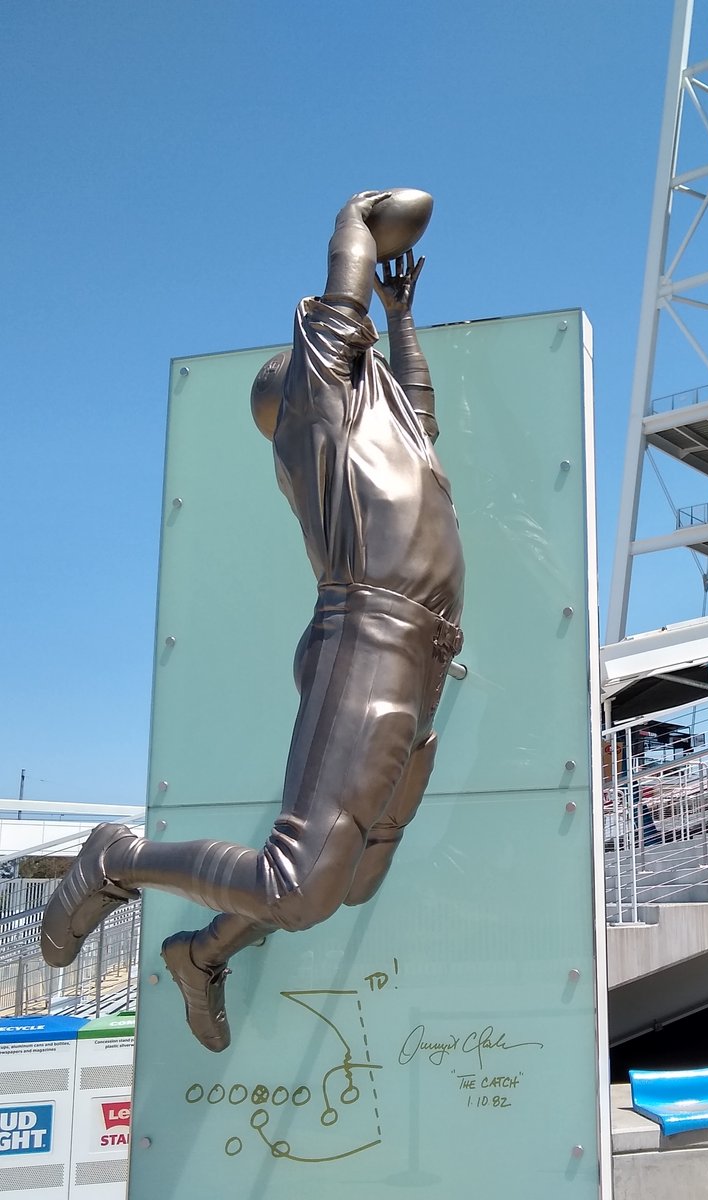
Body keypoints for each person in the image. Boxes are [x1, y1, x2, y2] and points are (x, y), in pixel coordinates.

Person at [41, 190, 465, 1053]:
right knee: (300, 884)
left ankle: (201, 954)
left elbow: (420, 407)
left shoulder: (392, 431)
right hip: (370, 641)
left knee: (354, 879)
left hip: (423, 659)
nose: (364, 361)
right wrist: (355, 223)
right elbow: (337, 308)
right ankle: (115, 859)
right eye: (346, 357)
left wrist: (403, 315)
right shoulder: (318, 416)